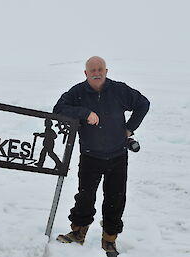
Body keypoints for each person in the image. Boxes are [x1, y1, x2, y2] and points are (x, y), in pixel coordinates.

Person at [53, 56, 150, 255]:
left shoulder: (119, 90)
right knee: (84, 197)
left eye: (100, 69)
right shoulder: (77, 92)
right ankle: (78, 233)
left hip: (117, 155)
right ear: (86, 73)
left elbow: (143, 104)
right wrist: (84, 112)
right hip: (90, 156)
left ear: (106, 71)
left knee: (115, 198)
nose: (96, 73)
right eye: (92, 70)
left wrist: (129, 129)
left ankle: (109, 239)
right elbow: (59, 109)